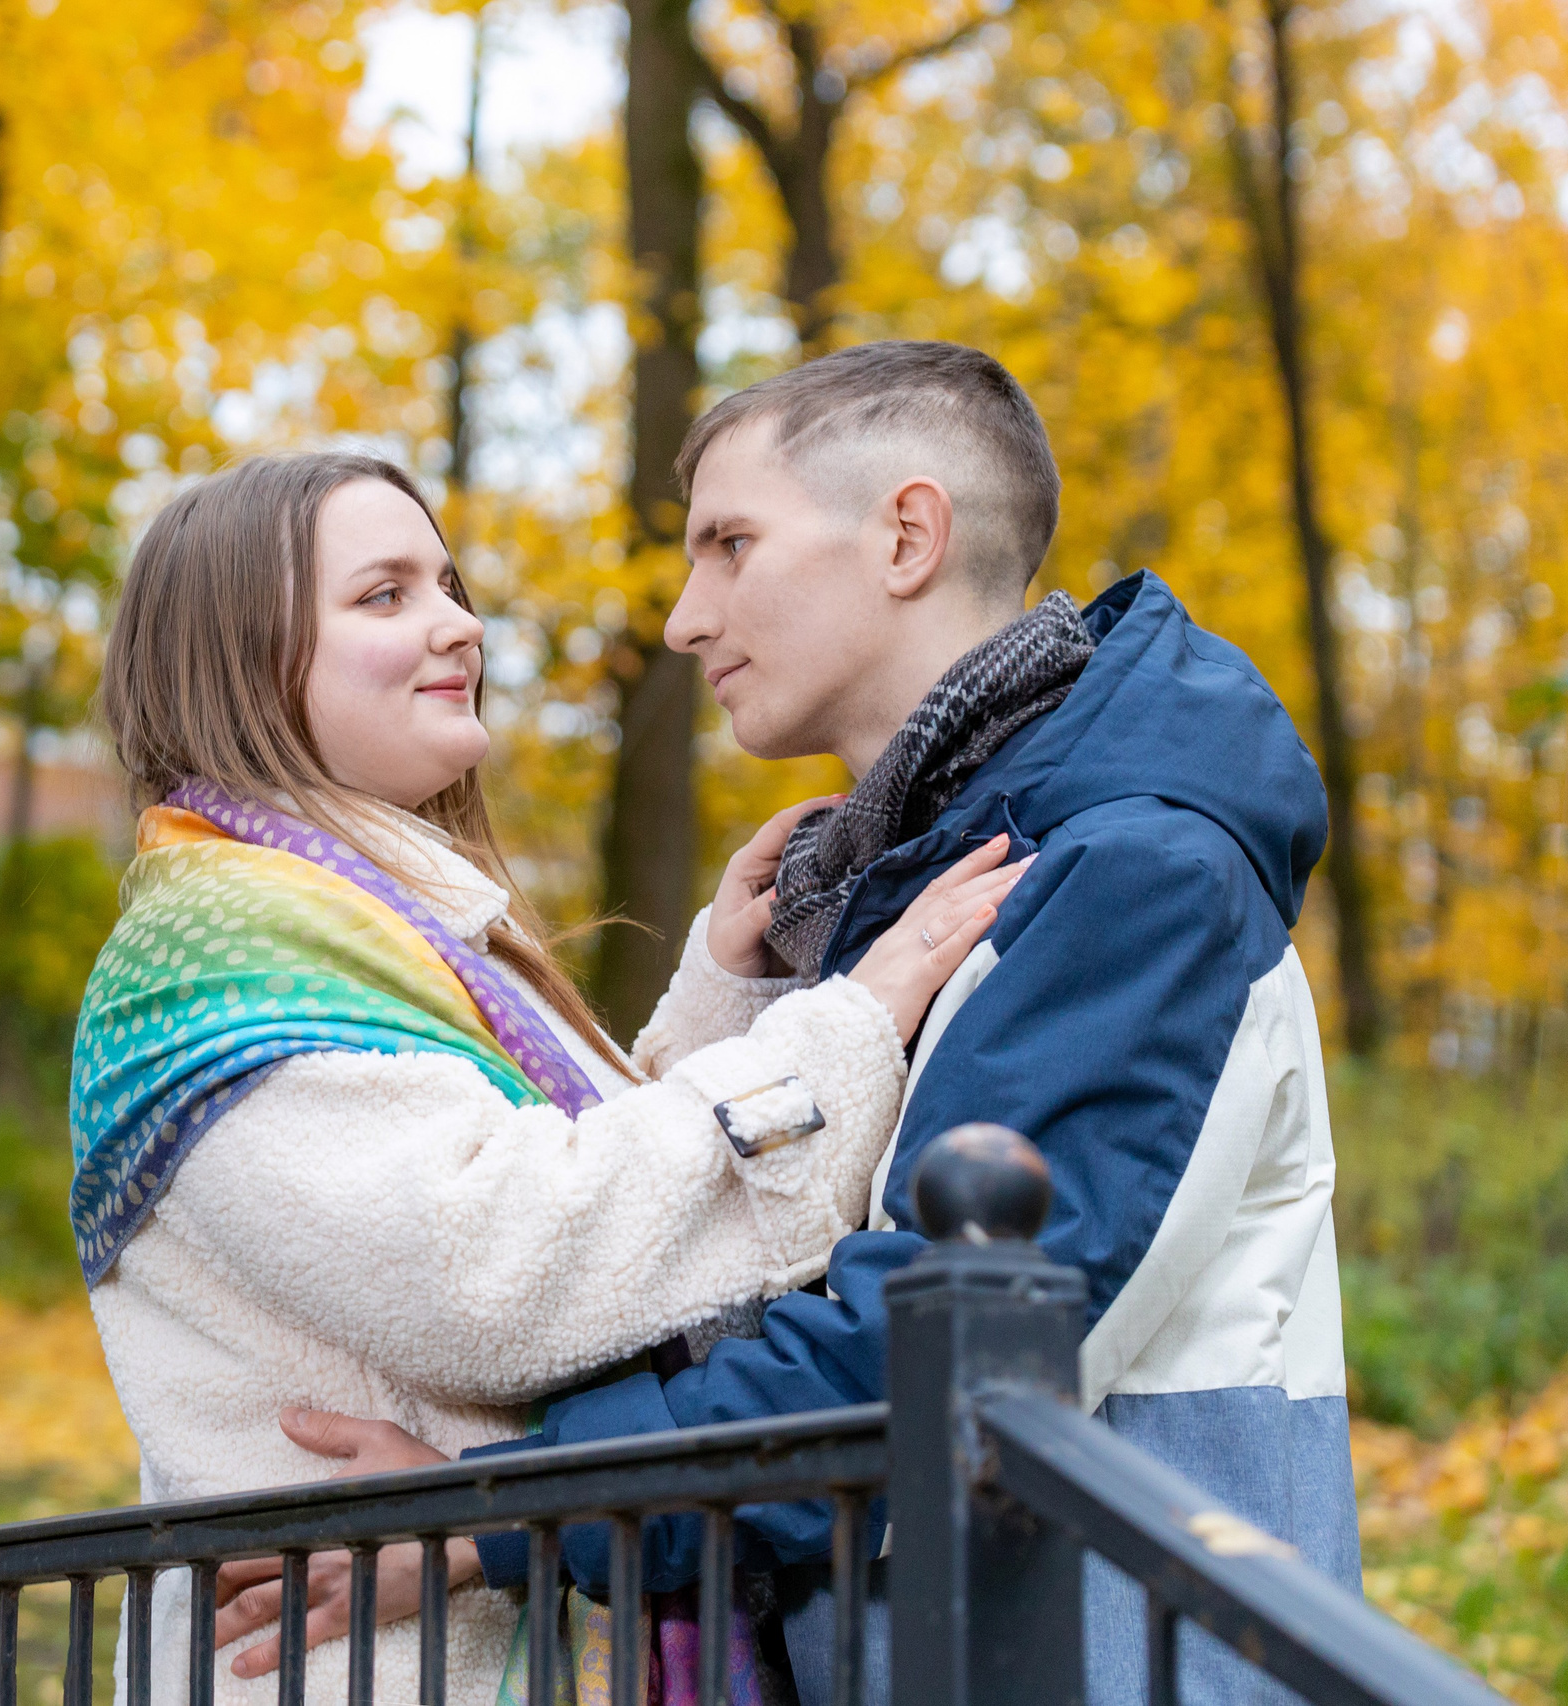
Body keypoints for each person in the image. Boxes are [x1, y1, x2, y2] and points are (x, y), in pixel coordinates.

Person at [245, 343, 1356, 1706]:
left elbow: (940, 1347)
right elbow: (682, 1234)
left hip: (1116, 1649)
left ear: (906, 534)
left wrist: (509, 1512)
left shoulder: (1134, 876)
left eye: (729, 545)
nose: (684, 619)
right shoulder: (894, 887)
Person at [71, 449, 1024, 1704]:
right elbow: (503, 1261)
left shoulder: (359, 924)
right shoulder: (216, 971)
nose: (458, 623)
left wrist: (724, 991)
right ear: (244, 659)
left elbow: (542, 1162)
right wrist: (846, 1022)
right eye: (384, 595)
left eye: (449, 585)